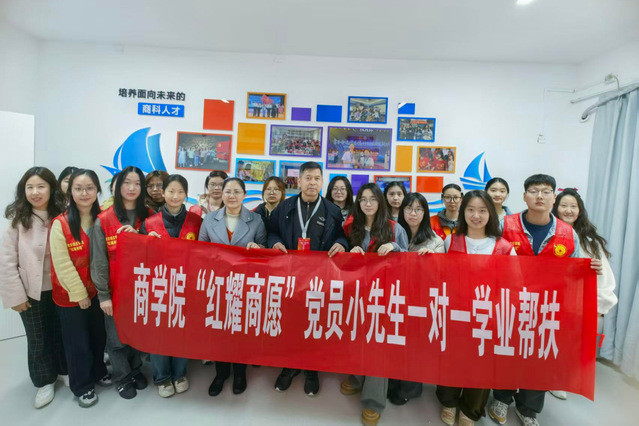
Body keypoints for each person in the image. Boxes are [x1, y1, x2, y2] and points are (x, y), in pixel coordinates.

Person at [488, 174, 601, 426]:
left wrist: (590, 268)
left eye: (546, 191)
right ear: (524, 196)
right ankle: (502, 398)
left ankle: (528, 408)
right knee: (508, 352)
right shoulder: (505, 225)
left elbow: (574, 271)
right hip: (511, 304)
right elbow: (490, 259)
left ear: (553, 198)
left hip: (548, 307)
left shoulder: (567, 233)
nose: (539, 196)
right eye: (534, 191)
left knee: (540, 358)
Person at [268, 161, 348, 396]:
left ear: (322, 182)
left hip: (319, 277)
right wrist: (275, 242)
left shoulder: (332, 211)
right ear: (299, 181)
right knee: (291, 322)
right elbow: (271, 231)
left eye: (317, 178)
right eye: (308, 178)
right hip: (289, 275)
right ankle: (289, 366)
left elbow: (343, 237)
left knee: (315, 321)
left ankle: (312, 369)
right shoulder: (284, 207)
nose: (312, 182)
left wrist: (341, 244)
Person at [437, 191, 515, 426]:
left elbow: (514, 283)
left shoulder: (503, 247)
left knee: (481, 363)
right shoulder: (451, 241)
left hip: (488, 316)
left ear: (490, 213)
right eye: (470, 209)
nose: (476, 215)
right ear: (463, 212)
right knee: (452, 358)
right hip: (456, 313)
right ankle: (449, 401)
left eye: (482, 210)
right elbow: (439, 276)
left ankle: (471, 410)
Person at [340, 183, 408, 426]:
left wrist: (395, 247)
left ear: (381, 202)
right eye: (363, 199)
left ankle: (374, 401)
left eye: (373, 199)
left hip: (385, 295)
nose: (368, 204)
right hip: (357, 292)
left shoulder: (395, 228)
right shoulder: (351, 227)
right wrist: (349, 252)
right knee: (357, 337)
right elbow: (340, 260)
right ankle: (357, 378)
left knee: (378, 344)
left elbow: (408, 261)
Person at [0, 167, 68, 409]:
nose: (35, 192)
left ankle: (63, 370)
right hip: (31, 291)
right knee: (38, 338)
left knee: (61, 333)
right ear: (24, 190)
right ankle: (44, 381)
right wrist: (15, 297)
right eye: (30, 187)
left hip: (62, 289)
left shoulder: (64, 215)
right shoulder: (18, 221)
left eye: (41, 186)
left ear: (51, 188)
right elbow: (7, 262)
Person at [198, 177, 266, 396]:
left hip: (244, 285)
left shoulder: (256, 220)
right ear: (222, 193)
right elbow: (200, 250)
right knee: (219, 330)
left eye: (237, 192)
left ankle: (239, 373)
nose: (232, 196)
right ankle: (221, 373)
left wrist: (258, 248)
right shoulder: (210, 219)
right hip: (217, 284)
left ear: (244, 195)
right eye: (228, 191)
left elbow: (265, 250)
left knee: (240, 331)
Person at [549, 188, 617, 401]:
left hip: (577, 303)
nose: (568, 210)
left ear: (580, 211)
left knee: (570, 344)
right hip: (550, 299)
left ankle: (559, 380)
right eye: (563, 205)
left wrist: (599, 306)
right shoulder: (548, 235)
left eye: (573, 206)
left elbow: (604, 277)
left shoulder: (589, 241)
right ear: (555, 208)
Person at [50, 169, 111, 408]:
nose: (84, 193)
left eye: (89, 188)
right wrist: (80, 295)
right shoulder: (60, 223)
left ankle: (98, 372)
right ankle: (82, 386)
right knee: (78, 344)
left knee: (98, 337)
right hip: (70, 296)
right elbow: (62, 264)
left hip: (99, 293)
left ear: (97, 190)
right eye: (78, 188)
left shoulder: (103, 218)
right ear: (70, 192)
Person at [90, 166, 151, 400]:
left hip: (142, 290)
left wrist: (141, 238)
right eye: (127, 183)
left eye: (137, 183)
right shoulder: (104, 220)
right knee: (116, 340)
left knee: (137, 335)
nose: (132, 188)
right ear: (117, 186)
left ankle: (135, 370)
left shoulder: (149, 215)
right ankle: (122, 378)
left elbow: (157, 251)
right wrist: (103, 295)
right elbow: (99, 261)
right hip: (116, 292)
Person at [139, 174, 201, 397]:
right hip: (159, 286)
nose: (175, 196)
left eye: (180, 192)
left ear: (186, 194)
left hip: (186, 286)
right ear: (163, 192)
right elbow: (139, 258)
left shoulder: (196, 222)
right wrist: (146, 243)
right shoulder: (149, 224)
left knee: (182, 331)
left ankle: (179, 373)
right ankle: (162, 377)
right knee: (159, 332)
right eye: (171, 191)